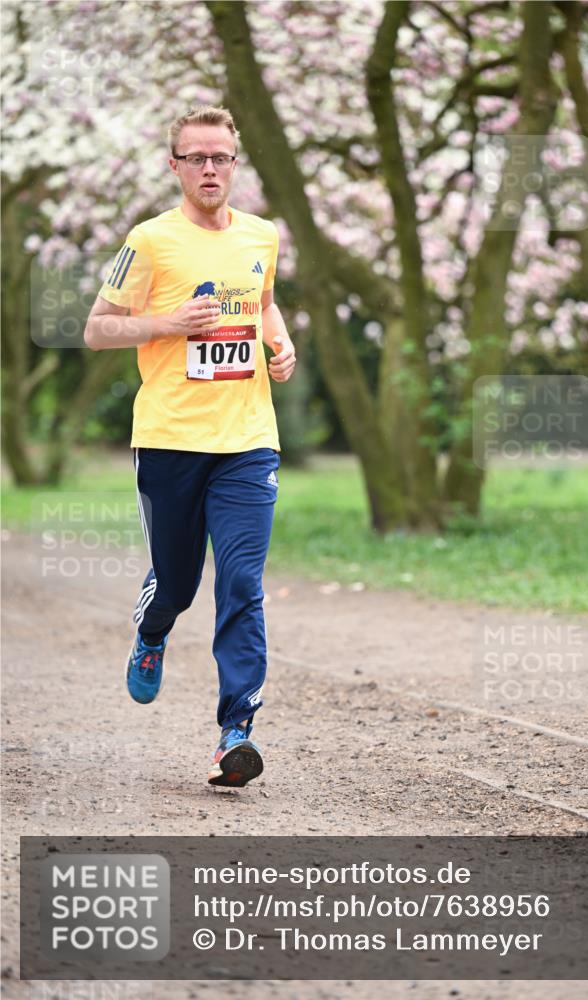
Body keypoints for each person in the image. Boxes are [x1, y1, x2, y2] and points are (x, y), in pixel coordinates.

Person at [83, 106, 296, 789]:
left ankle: (236, 731)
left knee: (241, 582)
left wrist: (277, 338)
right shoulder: (150, 241)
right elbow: (97, 329)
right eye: (196, 158)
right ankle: (152, 634)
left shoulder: (261, 236)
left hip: (247, 440)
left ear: (236, 164)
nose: (210, 169)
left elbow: (263, 301)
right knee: (178, 582)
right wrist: (167, 322)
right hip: (171, 438)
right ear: (174, 165)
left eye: (221, 158)